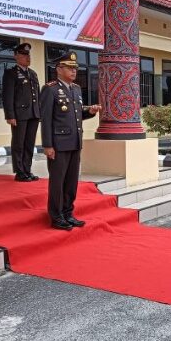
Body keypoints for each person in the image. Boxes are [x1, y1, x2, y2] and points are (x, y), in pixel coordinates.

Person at [40, 52, 102, 231]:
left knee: (71, 181)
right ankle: (56, 216)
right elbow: (46, 119)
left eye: (75, 68)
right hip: (58, 144)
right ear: (59, 69)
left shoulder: (75, 88)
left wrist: (89, 112)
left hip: (74, 142)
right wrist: (48, 145)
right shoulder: (50, 89)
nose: (74, 71)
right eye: (69, 67)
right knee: (58, 182)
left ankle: (68, 213)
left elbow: (75, 115)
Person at [2, 43, 41, 182]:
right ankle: (19, 171)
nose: (27, 57)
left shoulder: (33, 73)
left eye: (28, 55)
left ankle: (27, 169)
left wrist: (39, 112)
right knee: (19, 143)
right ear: (16, 56)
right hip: (19, 115)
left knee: (29, 143)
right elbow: (7, 96)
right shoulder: (11, 73)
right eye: (24, 55)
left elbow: (38, 95)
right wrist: (10, 115)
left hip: (33, 114)